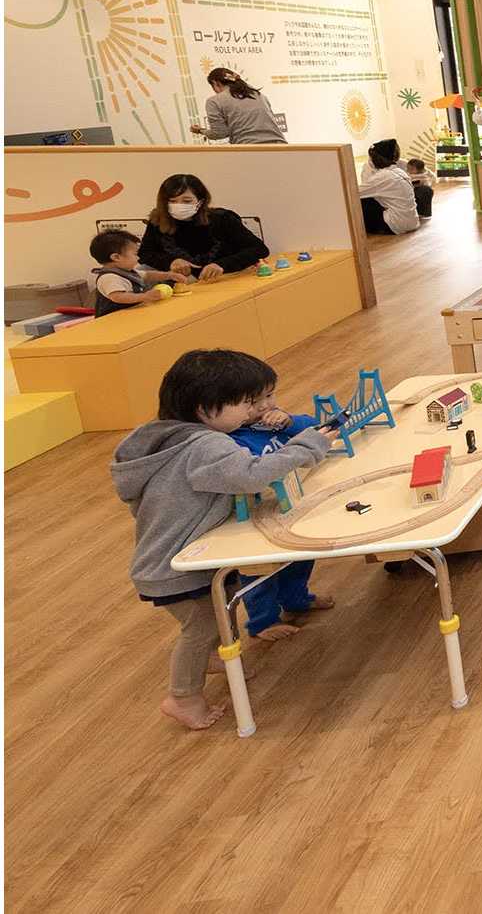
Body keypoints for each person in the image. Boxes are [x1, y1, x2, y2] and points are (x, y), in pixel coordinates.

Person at [112, 349, 332, 729]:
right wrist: (306, 446)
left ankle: (212, 657)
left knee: (221, 605)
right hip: (173, 568)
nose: (251, 411)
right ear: (204, 409)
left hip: (183, 554)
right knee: (201, 627)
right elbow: (252, 475)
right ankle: (183, 697)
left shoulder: (171, 439)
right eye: (243, 403)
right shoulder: (206, 445)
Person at [226, 390, 339, 641]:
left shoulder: (273, 423)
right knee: (259, 568)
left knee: (300, 555)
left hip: (289, 502)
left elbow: (317, 428)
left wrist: (290, 421)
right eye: (253, 401)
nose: (264, 405)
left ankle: (296, 599)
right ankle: (262, 622)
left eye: (269, 395)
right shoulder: (232, 441)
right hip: (257, 514)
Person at [138, 174, 268, 280]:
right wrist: (171, 262)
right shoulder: (157, 221)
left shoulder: (222, 218)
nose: (179, 205)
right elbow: (145, 253)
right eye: (172, 201)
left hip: (225, 279)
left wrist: (222, 265)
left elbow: (259, 249)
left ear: (201, 201)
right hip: (182, 283)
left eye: (187, 201)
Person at [89, 228, 184, 315]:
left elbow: (148, 275)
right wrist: (144, 296)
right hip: (112, 319)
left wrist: (169, 275)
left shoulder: (126, 271)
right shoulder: (109, 278)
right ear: (116, 257)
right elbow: (118, 297)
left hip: (129, 314)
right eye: (135, 254)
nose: (138, 258)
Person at [189, 68, 286, 145]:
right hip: (281, 147)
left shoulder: (214, 101)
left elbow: (219, 133)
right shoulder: (259, 95)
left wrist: (200, 130)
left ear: (215, 83)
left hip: (249, 150)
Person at [357, 138, 420, 235]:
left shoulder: (382, 176)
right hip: (413, 222)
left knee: (362, 201)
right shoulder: (399, 171)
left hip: (396, 225)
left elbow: (355, 193)